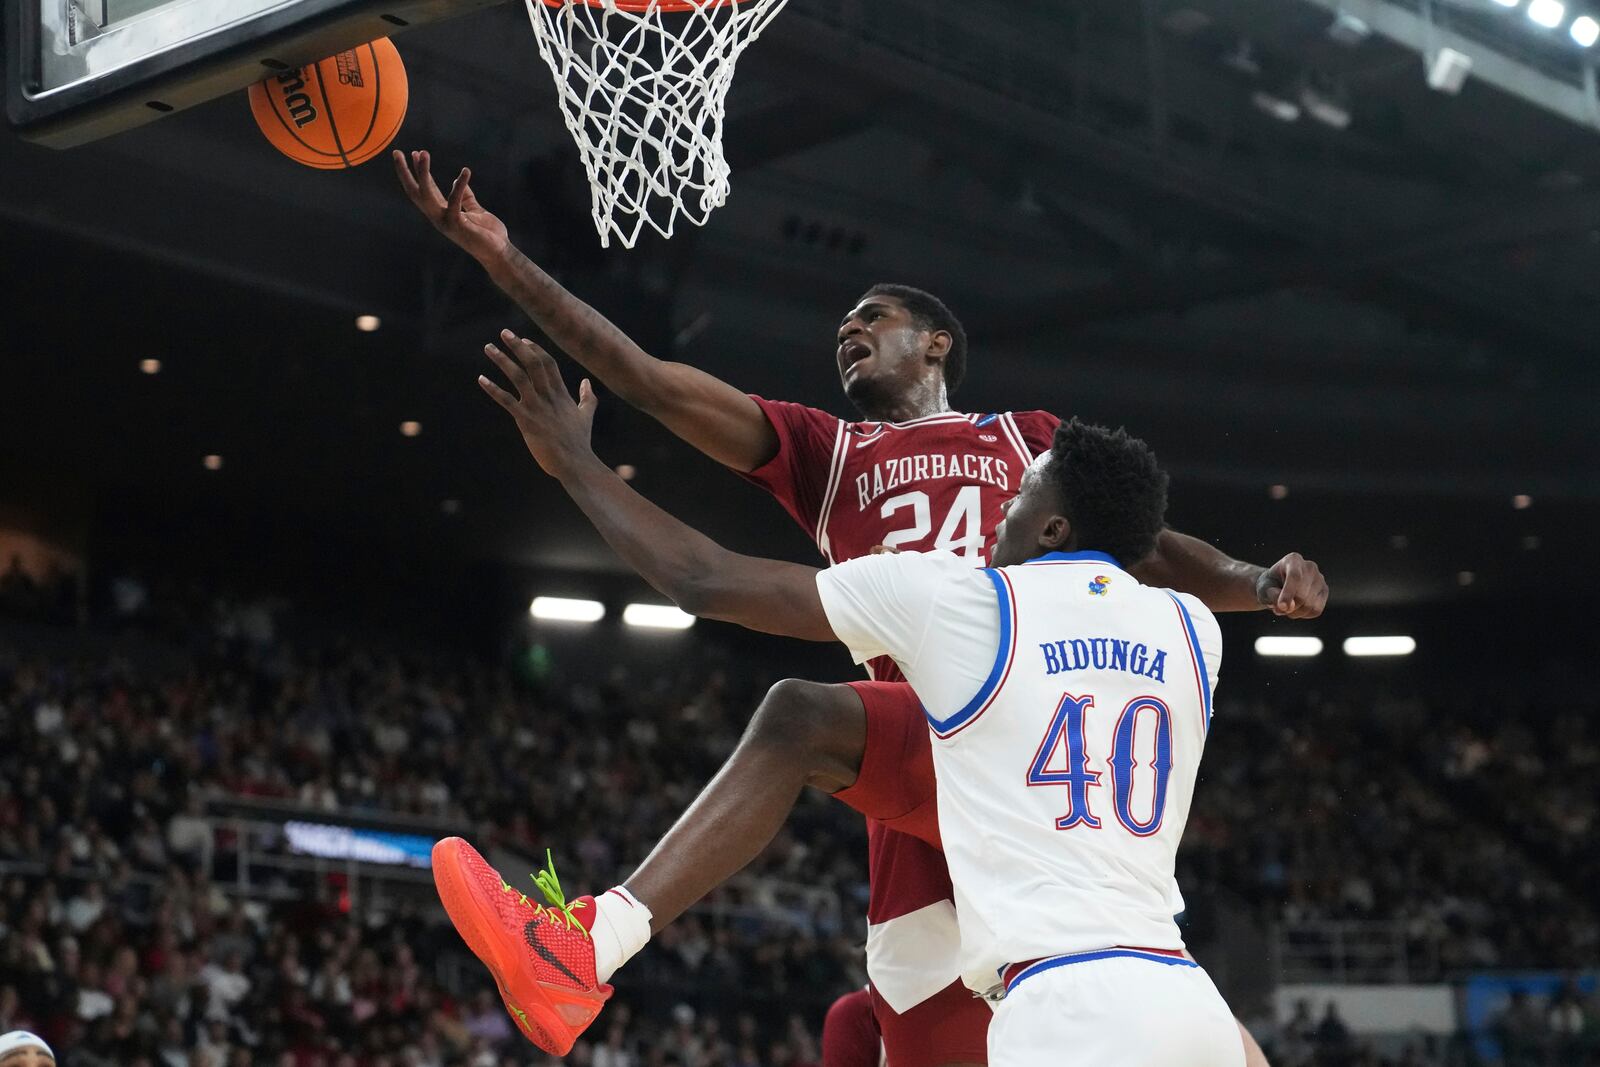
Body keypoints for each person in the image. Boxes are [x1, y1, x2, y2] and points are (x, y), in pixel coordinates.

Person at [395, 151, 1322, 1066]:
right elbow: (645, 377)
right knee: (906, 956)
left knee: (878, 1013)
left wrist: (1254, 578)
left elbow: (1152, 544)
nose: (848, 331)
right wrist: (501, 258)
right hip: (923, 744)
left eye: (871, 317)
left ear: (936, 342)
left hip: (1009, 729)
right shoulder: (823, 449)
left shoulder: (1035, 446)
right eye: (842, 323)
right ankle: (583, 954)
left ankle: (589, 946)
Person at [435, 340, 1241, 1064]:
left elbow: (704, 578)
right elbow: (1162, 562)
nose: (1002, 508)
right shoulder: (1191, 631)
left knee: (800, 718)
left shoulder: (968, 602)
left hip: (1062, 992)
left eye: (1020, 495)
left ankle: (586, 948)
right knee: (860, 1025)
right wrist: (1259, 584)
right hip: (1175, 980)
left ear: (1053, 528)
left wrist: (576, 463)